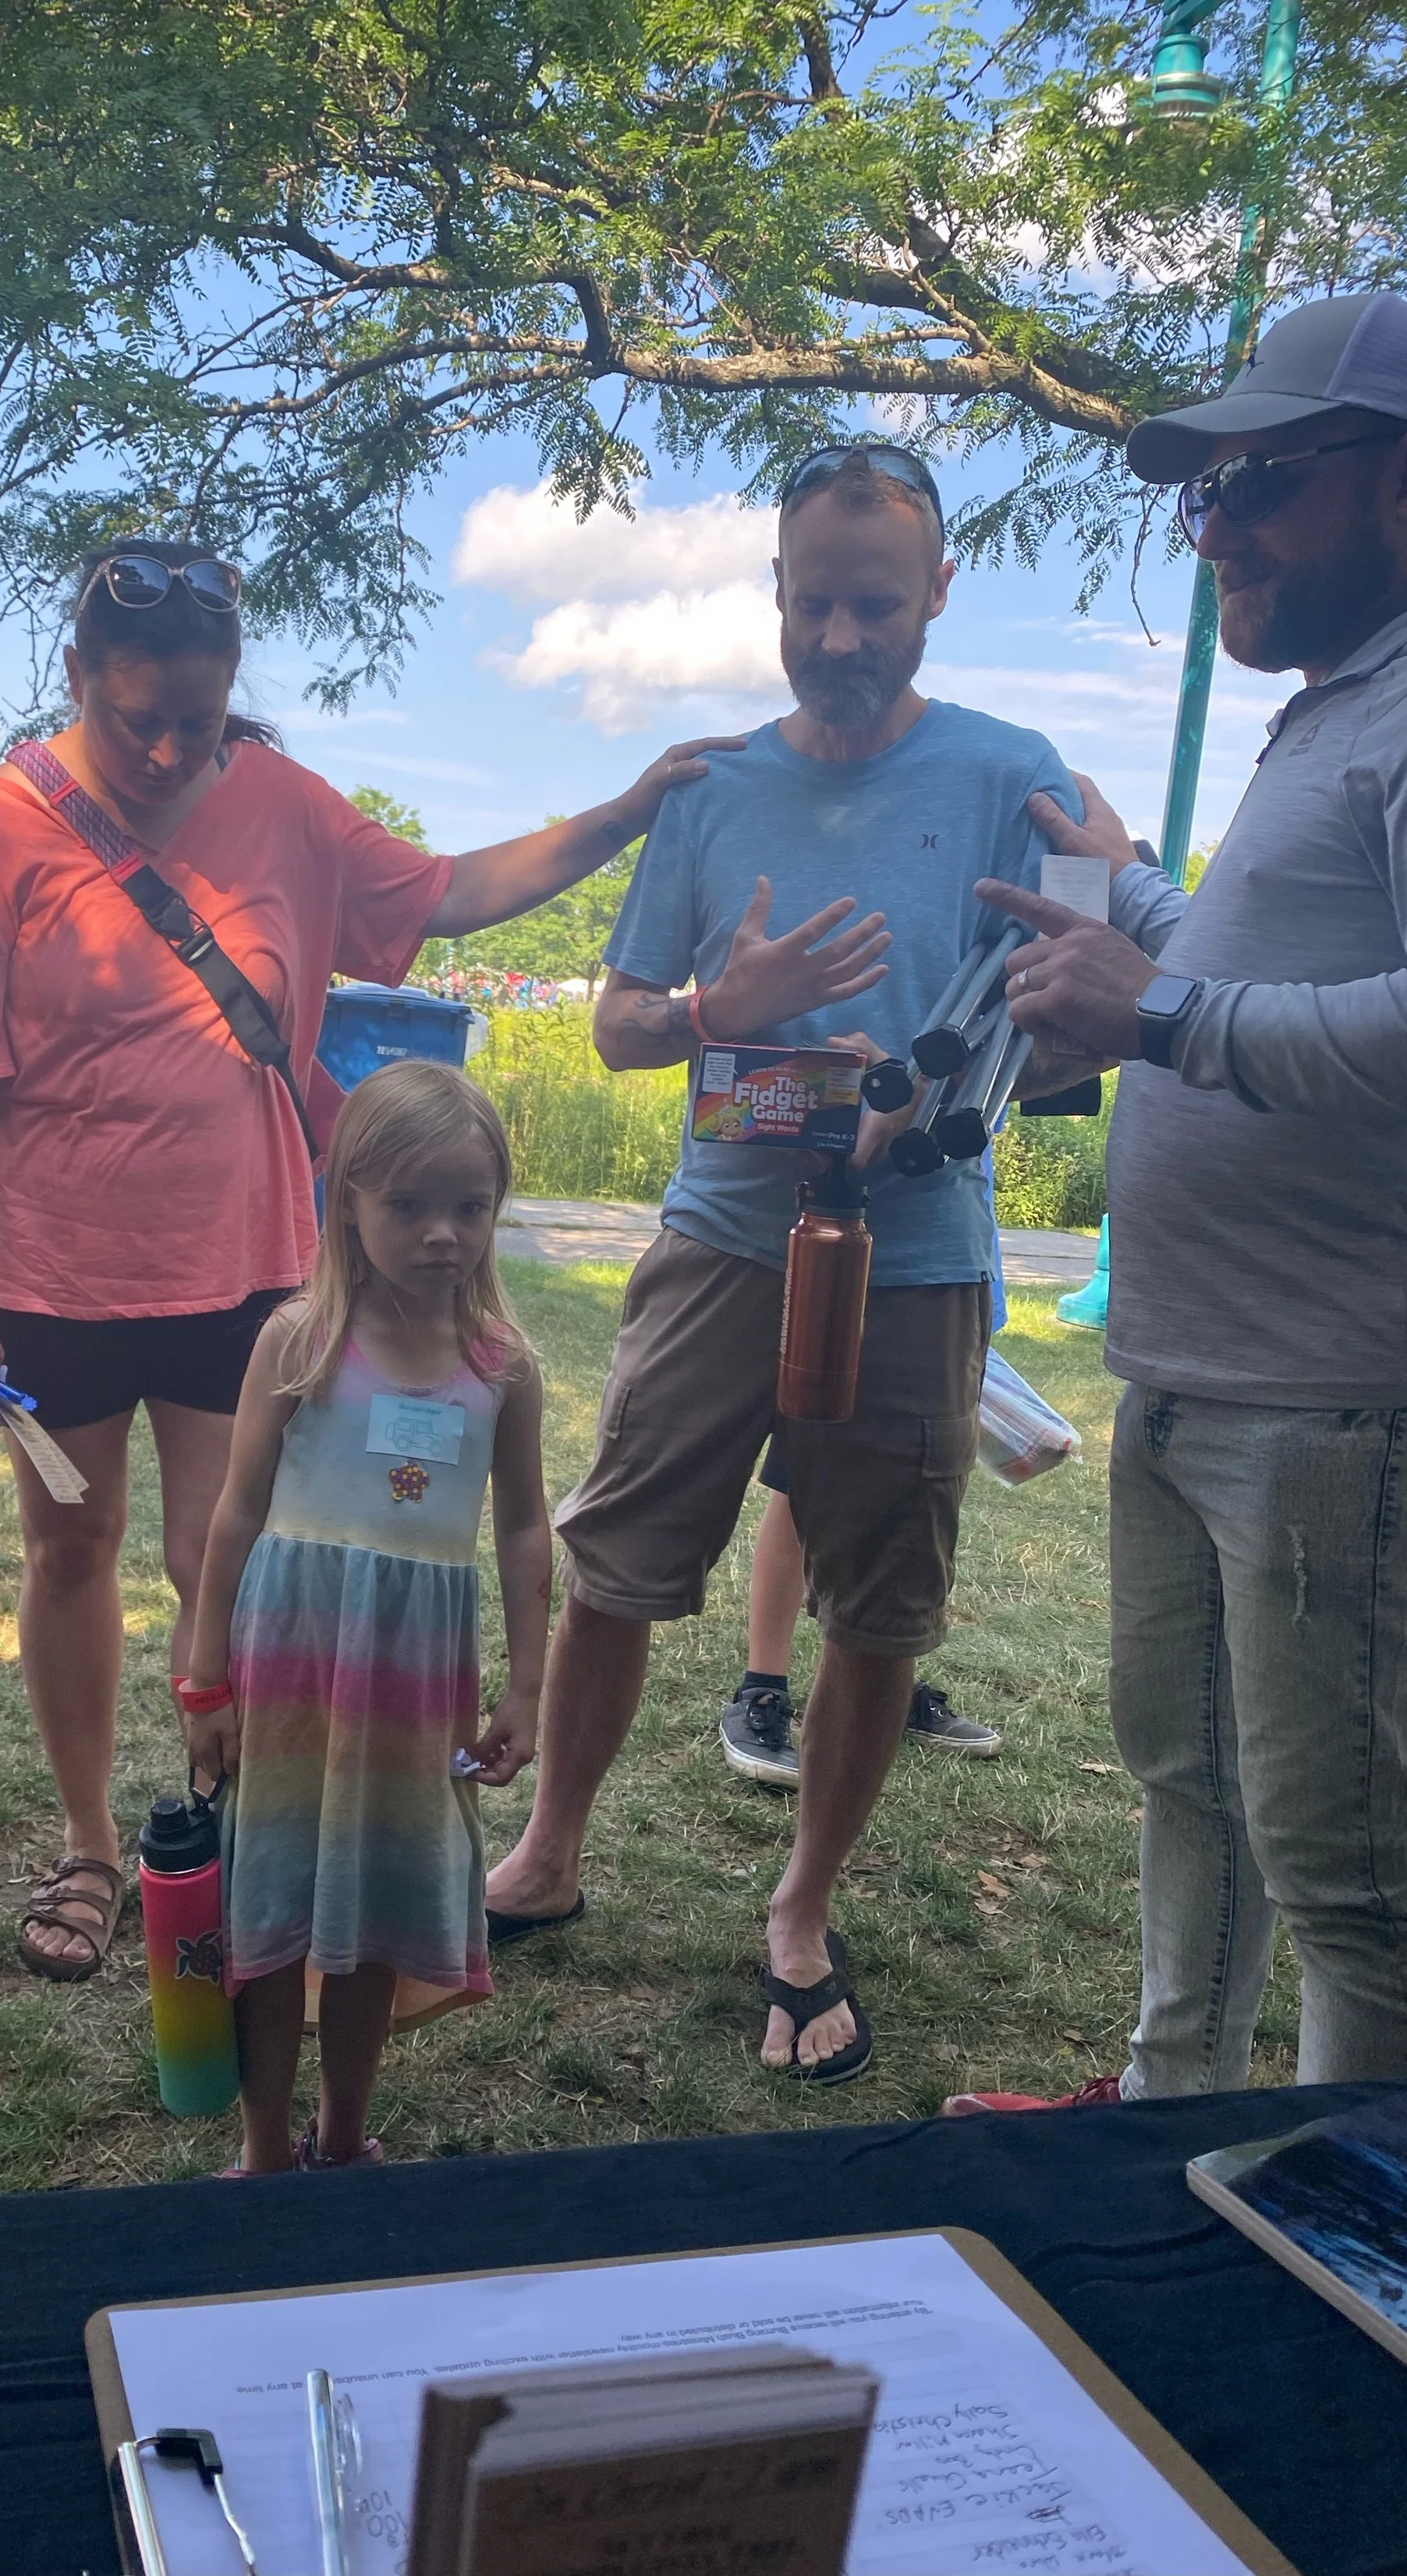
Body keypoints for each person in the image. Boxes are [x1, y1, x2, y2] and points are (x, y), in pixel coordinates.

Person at [0, 536, 733, 1980]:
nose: (160, 746)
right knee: (69, 1544)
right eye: (131, 711)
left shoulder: (282, 807)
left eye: (193, 720)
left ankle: (234, 1825)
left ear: (231, 698)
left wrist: (630, 810)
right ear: (75, 674)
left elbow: (451, 888)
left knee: (240, 1553)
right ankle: (90, 1843)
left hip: (244, 1277)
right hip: (55, 1279)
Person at [483, 441, 1083, 2086]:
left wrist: (1078, 905)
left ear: (937, 593)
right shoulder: (714, 788)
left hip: (920, 1260)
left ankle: (801, 1907)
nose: (836, 635)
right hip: (719, 1237)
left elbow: (1084, 993)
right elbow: (615, 1025)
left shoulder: (1006, 771)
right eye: (809, 599)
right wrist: (707, 1015)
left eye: (872, 602)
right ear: (771, 592)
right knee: (615, 1555)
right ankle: (546, 1850)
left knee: (878, 1604)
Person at [944, 290, 1407, 2111]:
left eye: (1261, 484)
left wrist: (1171, 1009)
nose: (1211, 531)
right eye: (1196, 496)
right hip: (1200, 1382)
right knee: (1190, 1796)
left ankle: (1351, 2245)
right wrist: (1131, 904)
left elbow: (1242, 1007)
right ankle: (1169, 2142)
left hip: (1331, 1408)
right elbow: (1259, 950)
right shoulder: (1332, 716)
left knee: (1350, 1881)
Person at [179, 1063, 548, 2171]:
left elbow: (526, 1529)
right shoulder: (298, 1342)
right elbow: (236, 1509)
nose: (444, 1233)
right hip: (290, 1673)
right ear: (349, 1199)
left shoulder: (503, 1367)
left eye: (470, 1206)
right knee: (271, 1907)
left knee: (370, 1914)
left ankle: (342, 2140)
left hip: (411, 1681)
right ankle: (262, 2149)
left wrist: (526, 1687)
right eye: (410, 1205)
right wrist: (203, 1674)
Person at [722, 1159, 1011, 1785]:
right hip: (828, 1263)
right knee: (797, 1478)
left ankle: (878, 1681)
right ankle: (762, 1688)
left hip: (949, 1263)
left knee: (903, 1502)